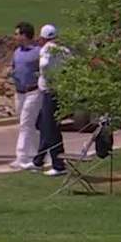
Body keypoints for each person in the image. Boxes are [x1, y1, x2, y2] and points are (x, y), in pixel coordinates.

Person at [9, 22, 43, 170]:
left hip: (33, 92)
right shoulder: (17, 52)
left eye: (17, 34)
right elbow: (14, 67)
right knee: (30, 125)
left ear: (24, 35)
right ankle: (40, 153)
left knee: (25, 124)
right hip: (19, 92)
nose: (15, 37)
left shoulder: (38, 52)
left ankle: (21, 157)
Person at [36, 24, 69, 176]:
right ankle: (39, 160)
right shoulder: (64, 50)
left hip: (50, 92)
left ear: (42, 38)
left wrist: (47, 75)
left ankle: (58, 164)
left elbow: (45, 64)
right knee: (43, 124)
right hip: (60, 91)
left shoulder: (46, 49)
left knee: (50, 128)